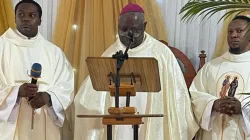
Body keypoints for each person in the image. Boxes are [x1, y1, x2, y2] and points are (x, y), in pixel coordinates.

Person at [74, 3, 198, 140]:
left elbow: (177, 97)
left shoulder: (162, 54)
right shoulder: (111, 54)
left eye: (134, 30)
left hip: (150, 122)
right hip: (117, 125)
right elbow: (89, 95)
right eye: (123, 29)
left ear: (144, 27)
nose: (128, 35)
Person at [0, 0, 74, 140]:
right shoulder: (2, 46)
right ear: (15, 18)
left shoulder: (54, 52)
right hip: (8, 126)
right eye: (20, 14)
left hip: (44, 121)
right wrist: (15, 92)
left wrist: (48, 97)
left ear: (40, 20)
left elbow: (66, 85)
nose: (25, 18)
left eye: (32, 15)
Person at [190, 15, 250, 140]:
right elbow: (194, 96)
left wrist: (243, 109)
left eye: (239, 31)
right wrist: (212, 104)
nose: (233, 35)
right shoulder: (211, 66)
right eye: (230, 31)